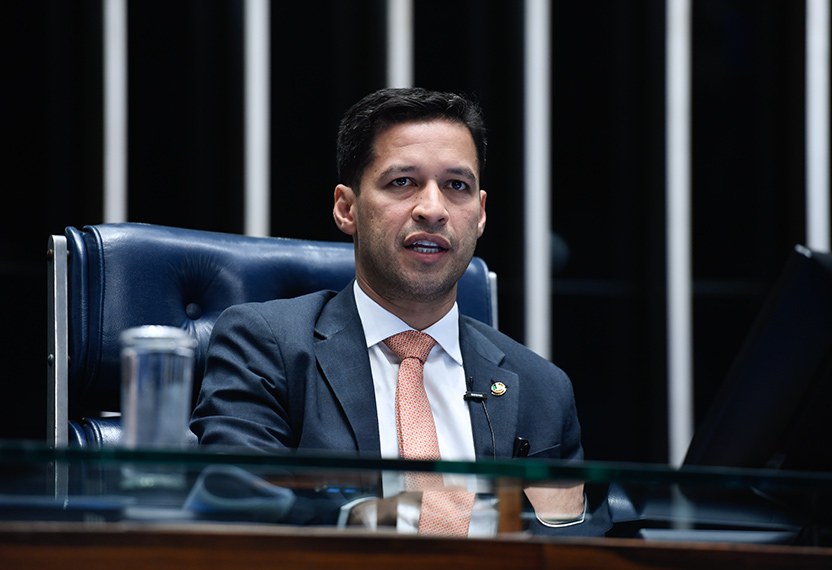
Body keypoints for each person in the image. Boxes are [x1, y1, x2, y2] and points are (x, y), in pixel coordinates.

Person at [190, 87, 611, 536]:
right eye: (402, 182)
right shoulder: (267, 344)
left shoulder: (542, 387)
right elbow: (235, 494)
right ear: (346, 208)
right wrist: (364, 518)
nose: (433, 209)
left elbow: (577, 539)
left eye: (457, 186)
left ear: (481, 213)